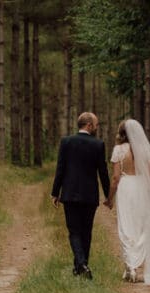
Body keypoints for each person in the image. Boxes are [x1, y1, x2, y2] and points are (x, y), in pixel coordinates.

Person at [109, 118, 150, 284]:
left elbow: (116, 178)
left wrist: (109, 198)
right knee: (142, 226)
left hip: (126, 187)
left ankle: (131, 266)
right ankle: (134, 266)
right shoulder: (144, 150)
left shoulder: (118, 150)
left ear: (121, 133)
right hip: (142, 187)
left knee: (126, 227)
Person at [51, 112, 111, 280]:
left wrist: (55, 192)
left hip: (70, 194)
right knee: (86, 231)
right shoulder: (98, 144)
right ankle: (82, 266)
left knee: (74, 231)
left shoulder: (66, 142)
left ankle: (81, 265)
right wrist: (108, 196)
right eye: (96, 125)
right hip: (89, 196)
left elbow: (60, 169)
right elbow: (103, 172)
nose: (97, 128)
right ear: (89, 125)